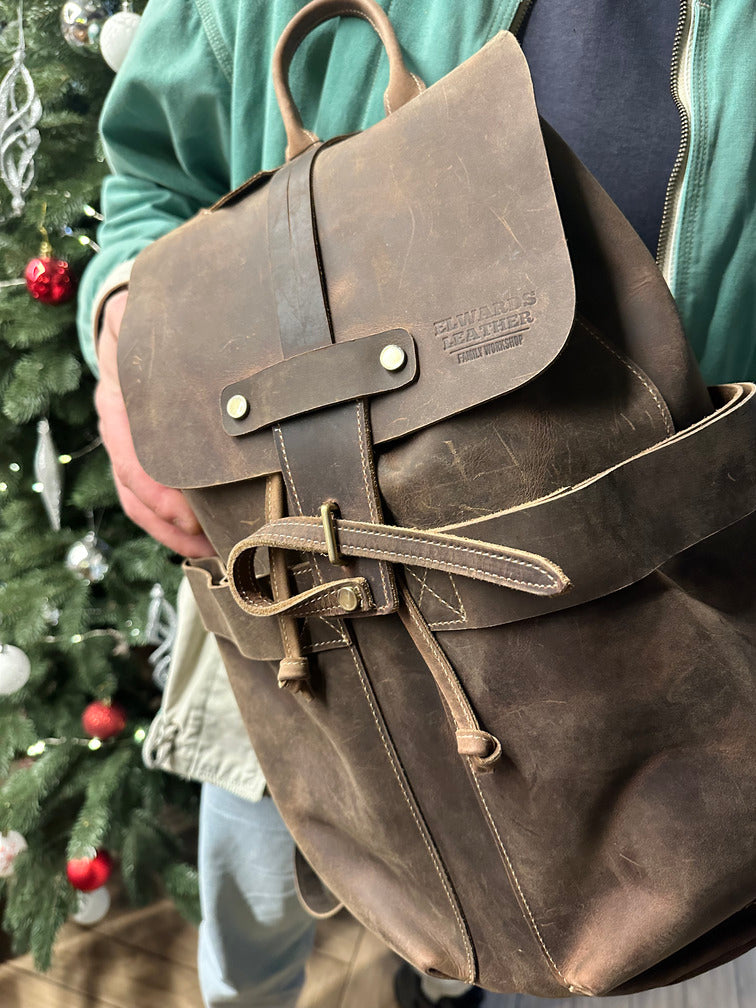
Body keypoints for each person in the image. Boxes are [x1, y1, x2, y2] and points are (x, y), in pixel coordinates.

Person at [78, 1, 755, 1006]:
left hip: (659, 658)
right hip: (286, 606)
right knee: (255, 908)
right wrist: (125, 316)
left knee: (618, 952)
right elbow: (152, 178)